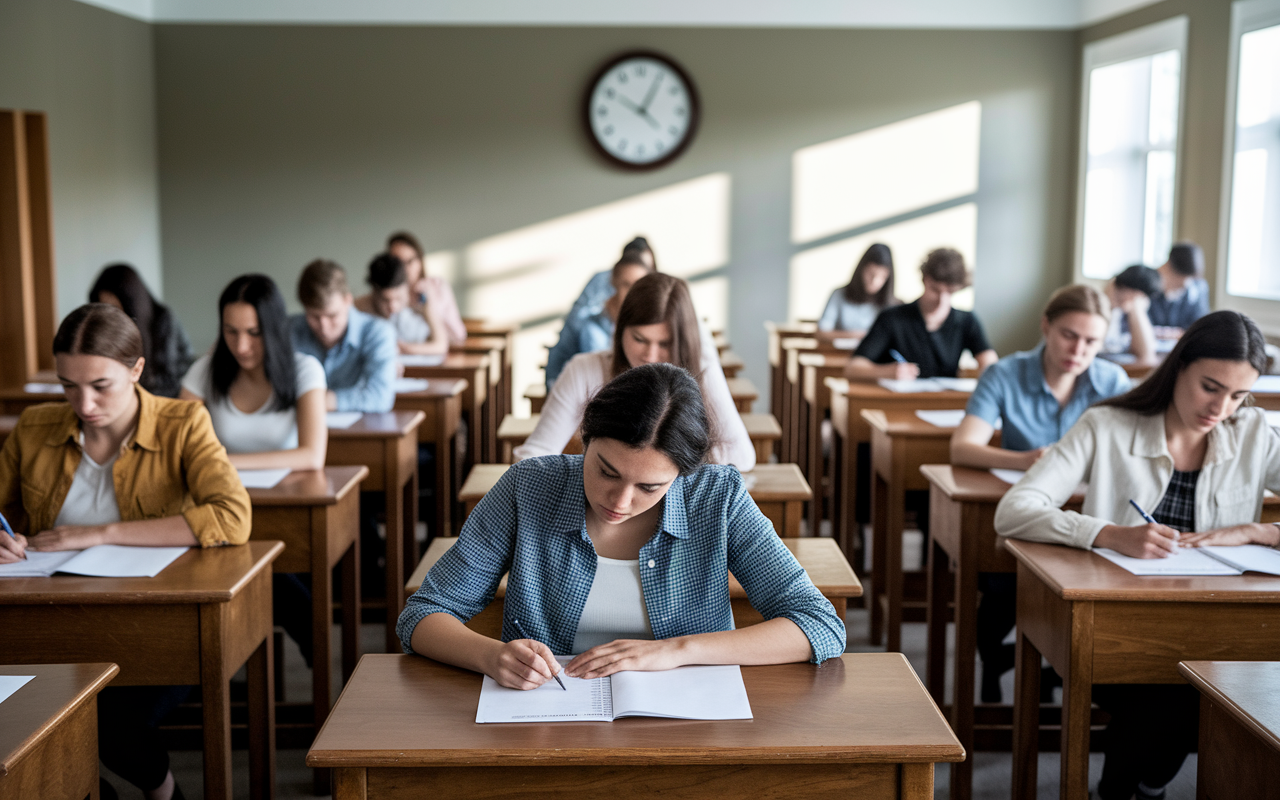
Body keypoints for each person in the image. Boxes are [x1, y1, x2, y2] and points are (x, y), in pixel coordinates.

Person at [397, 362, 845, 687]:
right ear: (586, 439)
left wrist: (678, 651)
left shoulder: (718, 497)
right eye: (607, 472)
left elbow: (820, 623)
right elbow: (422, 614)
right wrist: (491, 655)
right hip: (545, 722)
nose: (621, 501)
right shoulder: (528, 487)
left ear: (681, 476)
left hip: (689, 727)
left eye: (650, 486)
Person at [995, 310, 1280, 800]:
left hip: (1218, 626)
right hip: (1120, 628)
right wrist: (1107, 533)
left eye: (1237, 395)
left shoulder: (1253, 431)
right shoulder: (1106, 424)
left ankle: (1141, 786)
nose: (1221, 408)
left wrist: (1261, 532)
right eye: (1210, 387)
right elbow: (1013, 510)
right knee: (1170, 700)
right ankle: (1122, 790)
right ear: (1179, 366)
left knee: (1213, 696)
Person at [0, 303, 251, 800]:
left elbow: (231, 516)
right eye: (68, 386)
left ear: (136, 371)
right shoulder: (35, 427)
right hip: (52, 617)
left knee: (99, 709)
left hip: (155, 620)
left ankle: (163, 793)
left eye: (100, 386)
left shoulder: (183, 422)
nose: (84, 403)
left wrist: (98, 533)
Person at [949, 284, 1130, 702]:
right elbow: (962, 447)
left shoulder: (1112, 380)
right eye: (1070, 335)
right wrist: (1031, 460)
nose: (1079, 350)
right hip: (1021, 512)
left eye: (1091, 341)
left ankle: (1056, 673)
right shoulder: (1005, 373)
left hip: (1088, 513)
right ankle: (995, 659)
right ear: (1046, 326)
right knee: (1001, 591)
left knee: (1085, 603)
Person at [180, 274, 328, 664]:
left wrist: (223, 461)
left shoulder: (304, 369)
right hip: (219, 503)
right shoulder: (205, 370)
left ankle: (322, 665)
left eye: (253, 332)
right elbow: (178, 449)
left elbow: (312, 454)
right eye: (231, 332)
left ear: (274, 329)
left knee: (275, 573)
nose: (241, 345)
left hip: (285, 503)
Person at [515, 273, 756, 472]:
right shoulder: (585, 369)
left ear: (683, 343)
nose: (650, 356)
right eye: (639, 339)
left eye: (664, 344)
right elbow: (535, 454)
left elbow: (741, 457)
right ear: (620, 332)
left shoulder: (700, 368)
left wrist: (705, 358)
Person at [844, 247, 997, 382]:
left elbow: (990, 363)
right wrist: (886, 371)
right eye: (935, 290)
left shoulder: (967, 321)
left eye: (950, 292)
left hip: (947, 406)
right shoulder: (892, 318)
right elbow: (852, 368)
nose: (942, 301)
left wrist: (987, 376)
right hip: (899, 405)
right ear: (925, 280)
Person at [289, 259, 397, 413]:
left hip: (359, 433)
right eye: (314, 317)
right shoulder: (289, 330)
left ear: (348, 300)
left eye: (332, 316)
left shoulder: (378, 332)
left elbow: (380, 397)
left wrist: (320, 401)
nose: (324, 327)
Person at [544, 253, 656, 387]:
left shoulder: (650, 326)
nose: (633, 292)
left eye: (638, 286)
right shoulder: (589, 325)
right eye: (626, 285)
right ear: (613, 283)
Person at [89, 264, 194, 399]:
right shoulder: (103, 325)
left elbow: (175, 374)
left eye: (115, 306)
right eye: (104, 306)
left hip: (161, 398)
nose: (111, 314)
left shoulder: (164, 320)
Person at [356, 252, 450, 356]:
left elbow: (441, 346)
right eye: (385, 300)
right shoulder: (358, 307)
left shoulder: (421, 300)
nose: (393, 307)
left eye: (398, 298)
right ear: (374, 292)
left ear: (406, 287)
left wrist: (405, 348)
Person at [386, 230, 467, 344]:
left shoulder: (437, 286)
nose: (404, 269)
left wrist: (430, 307)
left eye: (409, 261)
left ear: (419, 260)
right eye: (398, 263)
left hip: (440, 354)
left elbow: (458, 336)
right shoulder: (386, 296)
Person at [817, 243, 898, 333]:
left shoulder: (894, 304)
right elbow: (822, 332)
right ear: (861, 270)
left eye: (882, 276)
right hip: (841, 347)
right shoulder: (839, 294)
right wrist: (861, 337)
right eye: (871, 274)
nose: (875, 281)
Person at [1103, 264, 1161, 366]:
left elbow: (1147, 355)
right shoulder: (1095, 307)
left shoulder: (1123, 313)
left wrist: (1137, 311)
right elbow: (1146, 356)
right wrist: (1137, 308)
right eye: (1142, 298)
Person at [1150, 241, 1210, 335]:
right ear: (1167, 266)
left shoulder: (1198, 288)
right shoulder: (1149, 283)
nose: (1185, 285)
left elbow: (1201, 328)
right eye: (1179, 279)